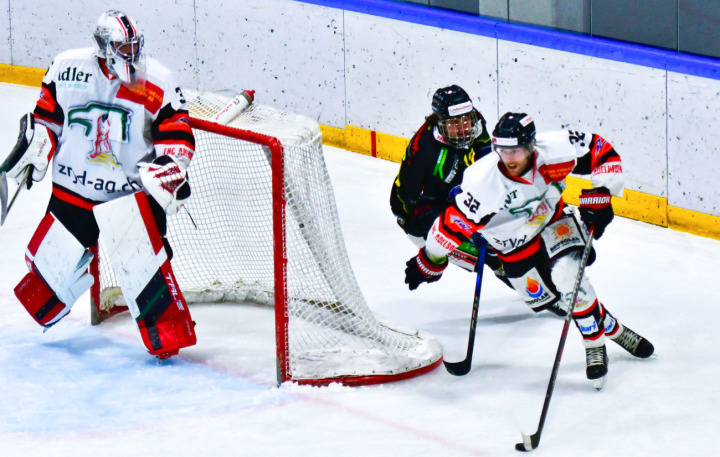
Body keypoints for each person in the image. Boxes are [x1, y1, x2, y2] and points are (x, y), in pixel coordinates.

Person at [404, 111, 654, 386]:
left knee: (569, 276)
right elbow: (448, 228)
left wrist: (602, 195)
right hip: (512, 248)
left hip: (553, 222)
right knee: (555, 299)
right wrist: (429, 260)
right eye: (503, 151)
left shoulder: (554, 150)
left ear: (532, 146)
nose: (510, 159)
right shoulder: (481, 182)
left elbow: (601, 151)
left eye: (518, 151)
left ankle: (593, 342)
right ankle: (614, 329)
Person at [5, 10, 197, 359]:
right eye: (123, 47)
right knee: (44, 296)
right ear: (103, 47)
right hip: (74, 190)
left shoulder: (156, 79)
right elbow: (47, 118)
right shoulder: (67, 67)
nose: (131, 53)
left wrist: (171, 166)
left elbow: (176, 132)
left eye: (134, 45)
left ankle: (167, 340)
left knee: (148, 277)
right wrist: (37, 149)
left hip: (131, 199)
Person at [390, 85, 516, 291]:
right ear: (440, 123)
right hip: (418, 211)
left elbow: (486, 157)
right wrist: (465, 227)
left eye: (466, 120)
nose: (464, 127)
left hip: (452, 187)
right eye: (455, 123)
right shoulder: (424, 152)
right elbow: (415, 208)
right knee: (475, 244)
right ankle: (497, 265)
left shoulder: (474, 120)